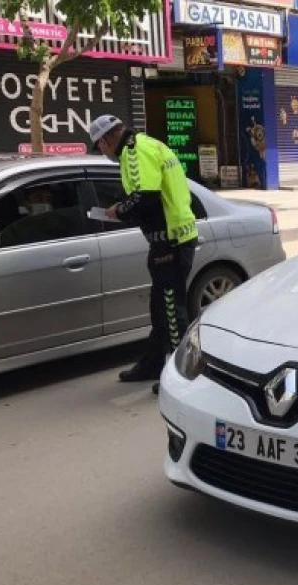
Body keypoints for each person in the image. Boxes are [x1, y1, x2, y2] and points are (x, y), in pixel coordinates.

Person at [89, 114, 199, 394]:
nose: (102, 153)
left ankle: (180, 377)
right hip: (172, 239)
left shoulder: (134, 152)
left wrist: (119, 210)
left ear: (104, 140)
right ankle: (152, 363)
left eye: (99, 147)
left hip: (170, 242)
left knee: (173, 313)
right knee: (160, 308)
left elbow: (146, 198)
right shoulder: (149, 144)